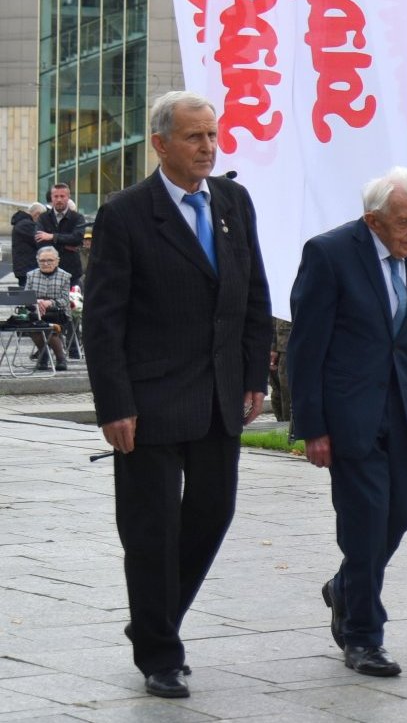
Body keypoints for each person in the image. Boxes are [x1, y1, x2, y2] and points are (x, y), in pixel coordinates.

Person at [83, 91, 272, 700]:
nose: (208, 148)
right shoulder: (126, 214)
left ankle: (152, 619)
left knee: (213, 514)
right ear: (161, 143)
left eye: (213, 136)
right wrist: (114, 405)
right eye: (195, 138)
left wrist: (253, 375)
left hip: (219, 395)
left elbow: (254, 295)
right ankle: (161, 652)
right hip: (150, 401)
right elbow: (103, 320)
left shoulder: (234, 203)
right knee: (151, 529)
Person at [287, 167, 407, 678]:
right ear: (373, 220)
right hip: (351, 419)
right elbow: (305, 349)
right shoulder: (329, 254)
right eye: (405, 221)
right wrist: (311, 426)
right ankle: (363, 636)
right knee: (364, 523)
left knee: (398, 517)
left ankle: (346, 586)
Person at [22, 246, 71, 371]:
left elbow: (65, 300)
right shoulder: (31, 275)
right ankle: (43, 356)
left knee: (49, 328)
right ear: (38, 261)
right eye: (42, 261)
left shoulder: (65, 276)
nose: (46, 263)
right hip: (36, 312)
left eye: (50, 260)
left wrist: (49, 302)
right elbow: (26, 297)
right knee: (33, 327)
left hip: (58, 312)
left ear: (57, 261)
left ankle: (60, 358)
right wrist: (36, 302)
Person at [36, 182, 88, 288]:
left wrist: (52, 237)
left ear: (68, 197)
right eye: (56, 196)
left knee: (73, 302)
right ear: (51, 197)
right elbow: (39, 240)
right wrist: (66, 243)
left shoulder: (78, 218)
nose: (59, 199)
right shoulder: (43, 218)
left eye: (62, 196)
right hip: (47, 271)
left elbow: (77, 238)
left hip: (71, 271)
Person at [10, 202, 44, 284]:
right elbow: (39, 240)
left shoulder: (22, 223)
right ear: (37, 214)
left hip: (25, 268)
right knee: (28, 295)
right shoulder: (26, 225)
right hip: (27, 269)